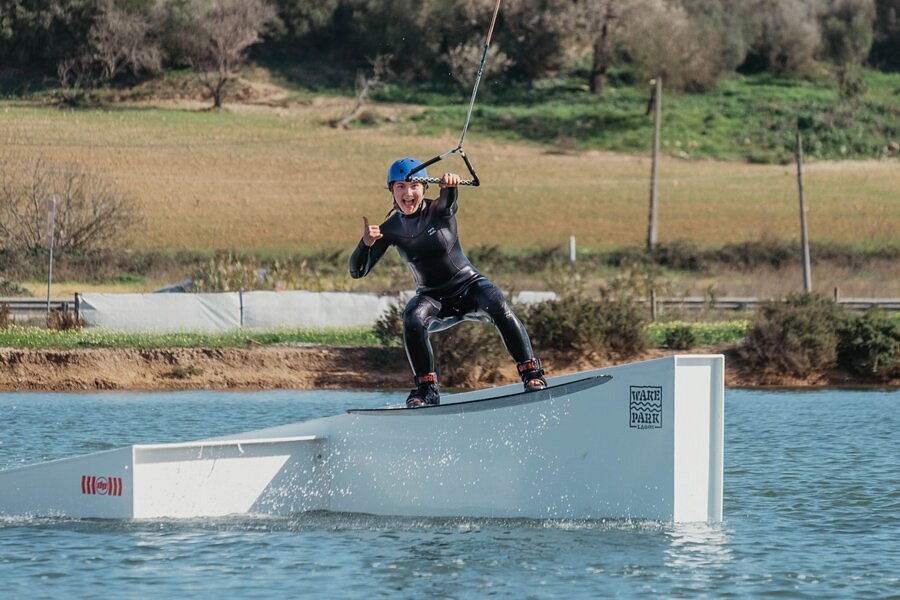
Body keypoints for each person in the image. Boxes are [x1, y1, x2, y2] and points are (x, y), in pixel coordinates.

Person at [349, 157, 547, 408]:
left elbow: (449, 203)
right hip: (433, 299)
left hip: (471, 287)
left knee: (497, 302)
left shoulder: (438, 210)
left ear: (425, 188)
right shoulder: (389, 230)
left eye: (413, 186)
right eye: (400, 186)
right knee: (412, 316)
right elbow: (357, 271)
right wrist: (365, 244)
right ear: (392, 190)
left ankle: (531, 373)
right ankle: (426, 389)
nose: (408, 193)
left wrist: (451, 187)